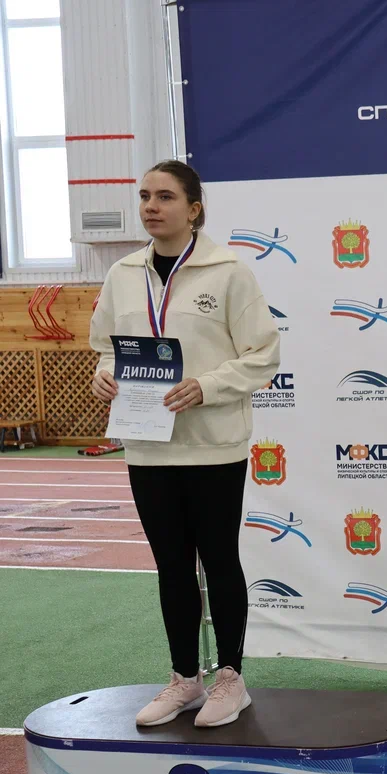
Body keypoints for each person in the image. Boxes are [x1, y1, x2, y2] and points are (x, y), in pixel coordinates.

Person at [89, 160, 281, 728]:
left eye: (166, 197)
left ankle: (231, 680)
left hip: (213, 446)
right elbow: (106, 347)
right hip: (148, 447)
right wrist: (104, 374)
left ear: (194, 209)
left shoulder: (229, 273)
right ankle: (184, 679)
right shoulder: (122, 273)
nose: (151, 206)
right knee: (170, 566)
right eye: (145, 196)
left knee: (219, 560)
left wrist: (207, 386)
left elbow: (263, 355)